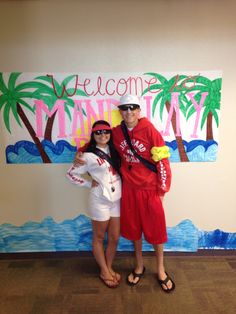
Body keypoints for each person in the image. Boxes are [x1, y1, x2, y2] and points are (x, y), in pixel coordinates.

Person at [75, 95, 175, 293]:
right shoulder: (117, 132)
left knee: (156, 232)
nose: (129, 112)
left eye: (133, 108)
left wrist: (162, 189)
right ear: (120, 111)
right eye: (124, 108)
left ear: (139, 111)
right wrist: (80, 151)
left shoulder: (150, 130)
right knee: (134, 230)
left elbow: (163, 161)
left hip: (149, 189)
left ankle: (161, 269)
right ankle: (139, 266)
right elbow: (98, 142)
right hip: (128, 190)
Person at [67, 120, 122, 288]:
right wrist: (87, 183)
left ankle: (109, 266)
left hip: (116, 199)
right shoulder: (88, 155)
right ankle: (104, 271)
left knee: (114, 237)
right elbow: (70, 174)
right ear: (93, 134)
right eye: (98, 132)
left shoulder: (116, 150)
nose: (103, 135)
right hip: (99, 200)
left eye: (106, 131)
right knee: (98, 237)